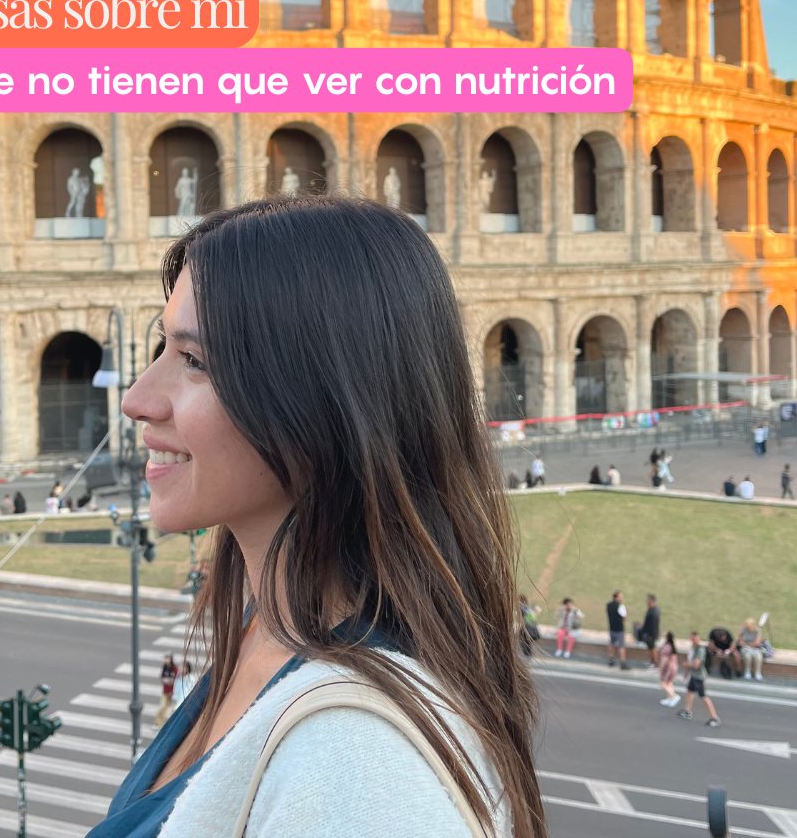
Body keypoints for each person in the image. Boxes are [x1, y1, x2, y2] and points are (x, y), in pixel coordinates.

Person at [92, 197, 544, 838]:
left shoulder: (360, 768)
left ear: (318, 400)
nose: (137, 399)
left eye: (193, 361)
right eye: (165, 346)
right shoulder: (269, 630)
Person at [677, 631, 721, 727]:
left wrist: (686, 665)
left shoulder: (700, 650)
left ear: (698, 639)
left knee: (703, 697)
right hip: (693, 676)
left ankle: (714, 717)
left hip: (698, 677)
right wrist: (686, 671)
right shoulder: (694, 648)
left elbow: (696, 665)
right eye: (692, 639)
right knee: (689, 691)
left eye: (694, 639)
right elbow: (690, 660)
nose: (693, 641)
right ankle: (687, 711)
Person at [635, 593, 660, 667]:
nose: (647, 601)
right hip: (649, 633)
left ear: (651, 601)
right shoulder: (651, 609)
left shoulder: (654, 612)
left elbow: (653, 625)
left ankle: (655, 663)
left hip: (651, 634)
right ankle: (651, 661)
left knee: (652, 649)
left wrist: (651, 635)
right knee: (650, 649)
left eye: (648, 600)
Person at [154, 654, 179, 729]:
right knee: (162, 707)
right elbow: (161, 677)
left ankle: (174, 724)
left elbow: (175, 678)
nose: (166, 660)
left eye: (167, 658)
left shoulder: (174, 667)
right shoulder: (165, 666)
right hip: (165, 691)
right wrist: (165, 680)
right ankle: (159, 723)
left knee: (173, 708)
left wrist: (168, 680)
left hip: (172, 691)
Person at [605, 591, 629, 669]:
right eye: (620, 596)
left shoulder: (608, 605)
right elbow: (624, 617)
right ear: (617, 597)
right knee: (621, 646)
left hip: (612, 628)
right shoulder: (620, 606)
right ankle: (622, 662)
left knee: (611, 643)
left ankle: (611, 659)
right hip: (619, 629)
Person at [658, 631, 680, 706]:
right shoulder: (672, 646)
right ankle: (669, 698)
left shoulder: (666, 648)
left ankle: (673, 696)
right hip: (674, 667)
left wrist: (661, 669)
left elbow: (664, 660)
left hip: (668, 668)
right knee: (669, 682)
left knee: (663, 683)